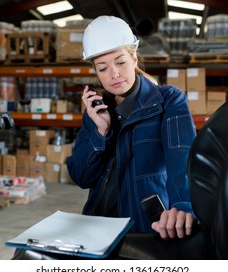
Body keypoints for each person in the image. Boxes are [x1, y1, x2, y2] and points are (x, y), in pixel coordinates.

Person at [66, 15, 197, 240]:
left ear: (134, 58)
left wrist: (183, 206)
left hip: (146, 230)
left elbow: (182, 157)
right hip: (98, 228)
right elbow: (81, 177)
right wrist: (101, 133)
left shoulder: (168, 102)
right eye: (102, 68)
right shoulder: (96, 113)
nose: (114, 74)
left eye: (120, 62)